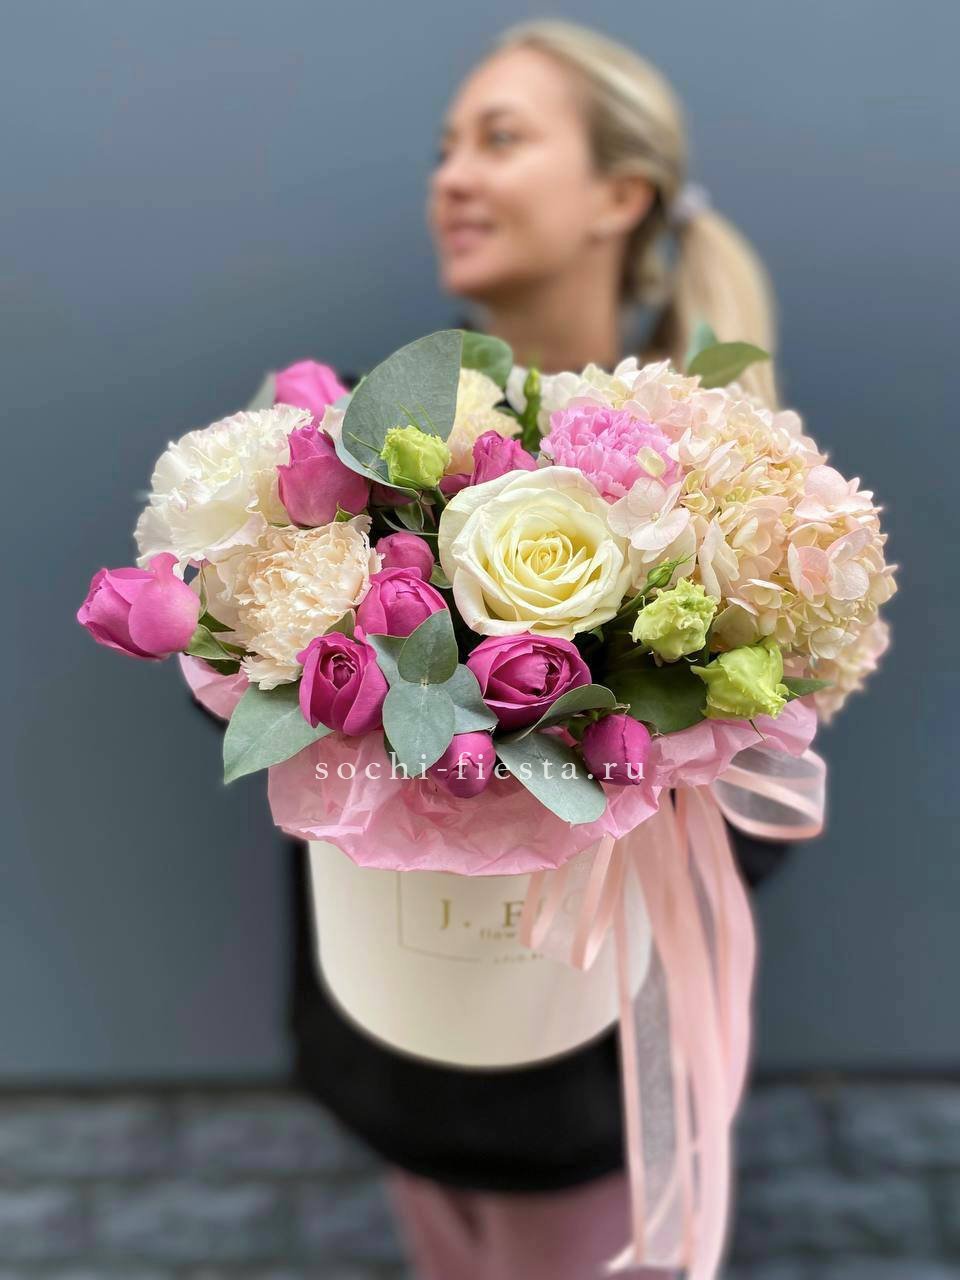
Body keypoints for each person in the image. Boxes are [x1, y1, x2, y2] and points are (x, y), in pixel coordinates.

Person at [287, 19, 788, 1279]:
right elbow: (260, 720)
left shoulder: (720, 473)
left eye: (500, 139)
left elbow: (765, 804)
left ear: (620, 195)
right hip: (396, 1053)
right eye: (445, 148)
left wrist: (596, 777)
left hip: (587, 1097)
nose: (452, 177)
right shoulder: (362, 440)